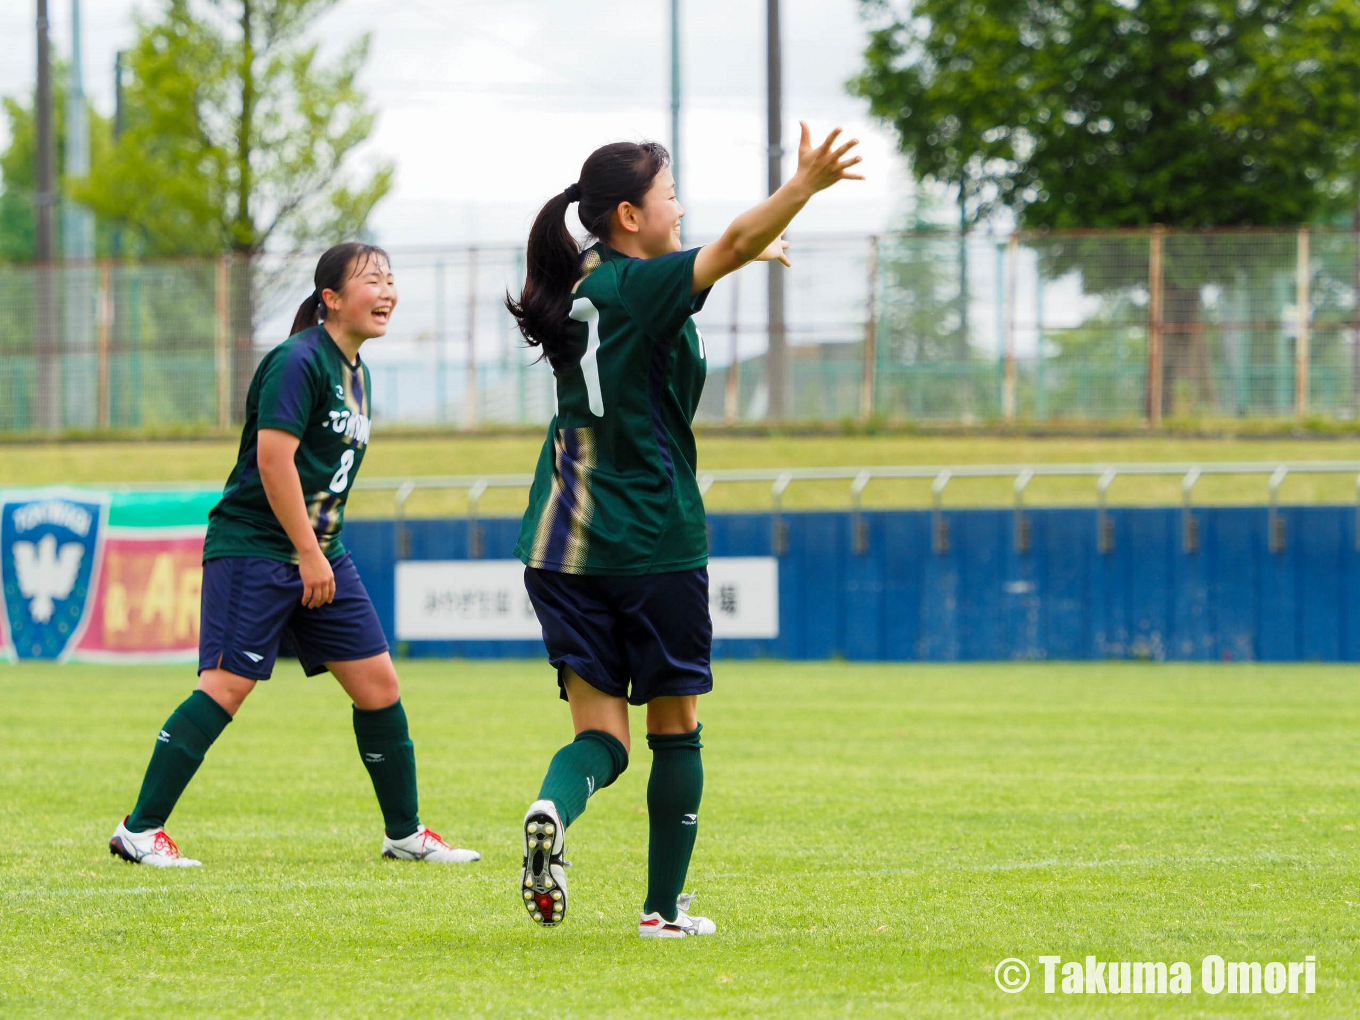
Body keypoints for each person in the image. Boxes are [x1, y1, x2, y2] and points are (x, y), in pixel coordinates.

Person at [505, 123, 862, 936]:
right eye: (670, 193)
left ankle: (552, 810)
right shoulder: (644, 287)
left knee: (601, 737)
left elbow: (718, 252)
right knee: (675, 727)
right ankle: (662, 910)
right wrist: (801, 187)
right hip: (651, 540)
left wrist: (746, 248)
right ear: (629, 214)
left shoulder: (585, 286)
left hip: (560, 543)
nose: (681, 206)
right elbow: (728, 241)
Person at [109, 243, 479, 867]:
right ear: (330, 298)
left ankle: (404, 833)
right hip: (257, 547)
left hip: (318, 551)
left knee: (379, 685)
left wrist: (316, 554)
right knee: (226, 686)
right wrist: (308, 554)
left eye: (391, 280)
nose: (387, 291)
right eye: (371, 281)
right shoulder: (297, 360)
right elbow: (272, 460)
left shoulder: (356, 371)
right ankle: (139, 830)